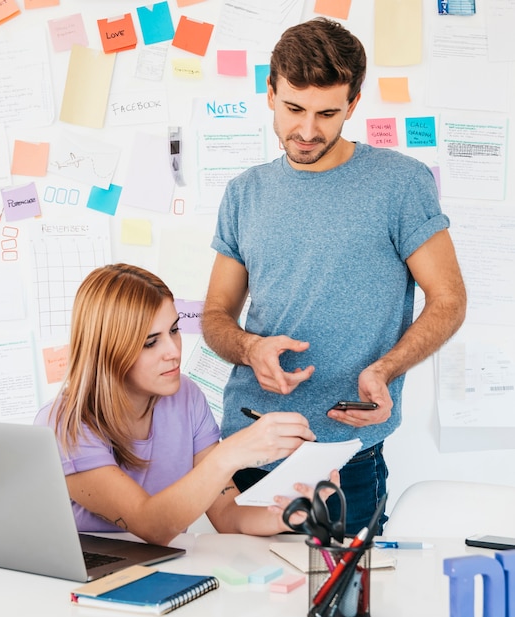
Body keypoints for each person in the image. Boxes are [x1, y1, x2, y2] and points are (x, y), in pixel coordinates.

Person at [201, 17, 467, 535]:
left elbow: (449, 298)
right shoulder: (243, 193)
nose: (307, 130)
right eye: (294, 108)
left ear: (353, 104)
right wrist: (249, 348)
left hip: (346, 456)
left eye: (327, 113)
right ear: (270, 92)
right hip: (246, 444)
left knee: (341, 606)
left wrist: (386, 369)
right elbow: (215, 315)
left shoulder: (400, 183)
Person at [34, 262, 334, 546]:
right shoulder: (65, 423)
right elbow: (151, 526)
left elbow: (228, 514)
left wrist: (287, 514)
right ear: (109, 351)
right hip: (85, 582)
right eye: (151, 342)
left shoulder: (185, 397)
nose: (174, 351)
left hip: (161, 569)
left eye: (174, 331)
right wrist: (232, 452)